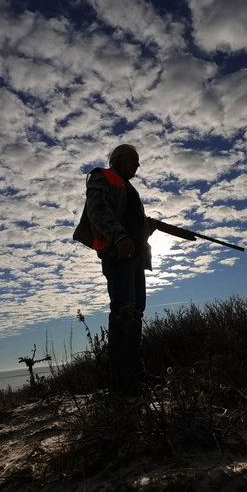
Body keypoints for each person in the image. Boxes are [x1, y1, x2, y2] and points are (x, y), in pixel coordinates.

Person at [73, 144, 156, 396]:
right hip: (119, 257)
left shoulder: (131, 189)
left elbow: (131, 222)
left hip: (136, 258)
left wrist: (145, 228)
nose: (138, 165)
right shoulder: (102, 176)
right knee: (123, 313)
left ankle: (137, 373)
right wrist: (120, 238)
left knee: (136, 314)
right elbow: (97, 210)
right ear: (118, 159)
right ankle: (122, 379)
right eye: (134, 160)